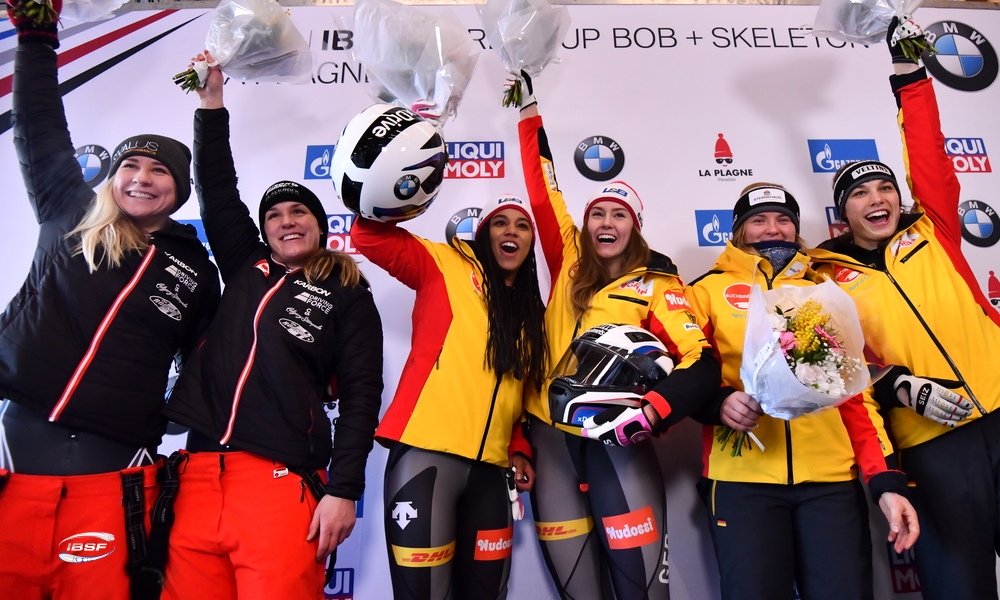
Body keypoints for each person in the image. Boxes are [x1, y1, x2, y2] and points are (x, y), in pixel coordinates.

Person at [0, 13, 221, 600]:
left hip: (116, 453)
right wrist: (37, 36)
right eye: (130, 166)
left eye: (160, 171)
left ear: (179, 188)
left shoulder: (195, 268)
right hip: (22, 427)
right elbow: (39, 121)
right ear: (112, 175)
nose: (142, 179)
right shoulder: (67, 208)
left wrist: (169, 424)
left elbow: (206, 361)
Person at [158, 56, 384, 599]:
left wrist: (345, 489)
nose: (287, 219)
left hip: (281, 482)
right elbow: (217, 187)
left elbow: (361, 396)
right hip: (197, 475)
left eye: (300, 211)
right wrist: (211, 104)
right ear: (264, 231)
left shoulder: (348, 294)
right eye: (276, 214)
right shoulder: (245, 266)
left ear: (320, 227)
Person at [808, 19, 1000, 600]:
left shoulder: (934, 230)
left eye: (884, 189)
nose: (878, 199)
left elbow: (927, 148)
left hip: (999, 409)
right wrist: (901, 389)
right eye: (861, 194)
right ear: (843, 214)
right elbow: (840, 370)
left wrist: (907, 71)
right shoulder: (824, 280)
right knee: (960, 583)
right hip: (933, 441)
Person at [514, 74, 721, 599]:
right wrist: (527, 111)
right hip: (550, 436)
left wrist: (653, 410)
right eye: (598, 214)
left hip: (617, 441)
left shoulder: (659, 284)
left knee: (643, 590)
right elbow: (544, 187)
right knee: (577, 590)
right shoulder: (568, 263)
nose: (607, 222)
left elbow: (701, 362)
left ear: (635, 226)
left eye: (619, 215)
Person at [685, 182, 919, 600]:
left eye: (783, 220)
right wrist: (717, 403)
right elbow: (687, 374)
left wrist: (883, 481)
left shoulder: (827, 291)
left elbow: (856, 396)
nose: (772, 229)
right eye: (758, 220)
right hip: (742, 481)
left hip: (830, 482)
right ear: (739, 230)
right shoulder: (704, 291)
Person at [351, 191, 548, 599]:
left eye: (522, 225)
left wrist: (517, 446)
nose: (511, 231)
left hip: (492, 474)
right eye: (500, 222)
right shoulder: (445, 263)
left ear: (530, 243)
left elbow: (515, 397)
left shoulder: (532, 313)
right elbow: (368, 237)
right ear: (483, 234)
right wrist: (398, 185)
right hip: (427, 457)